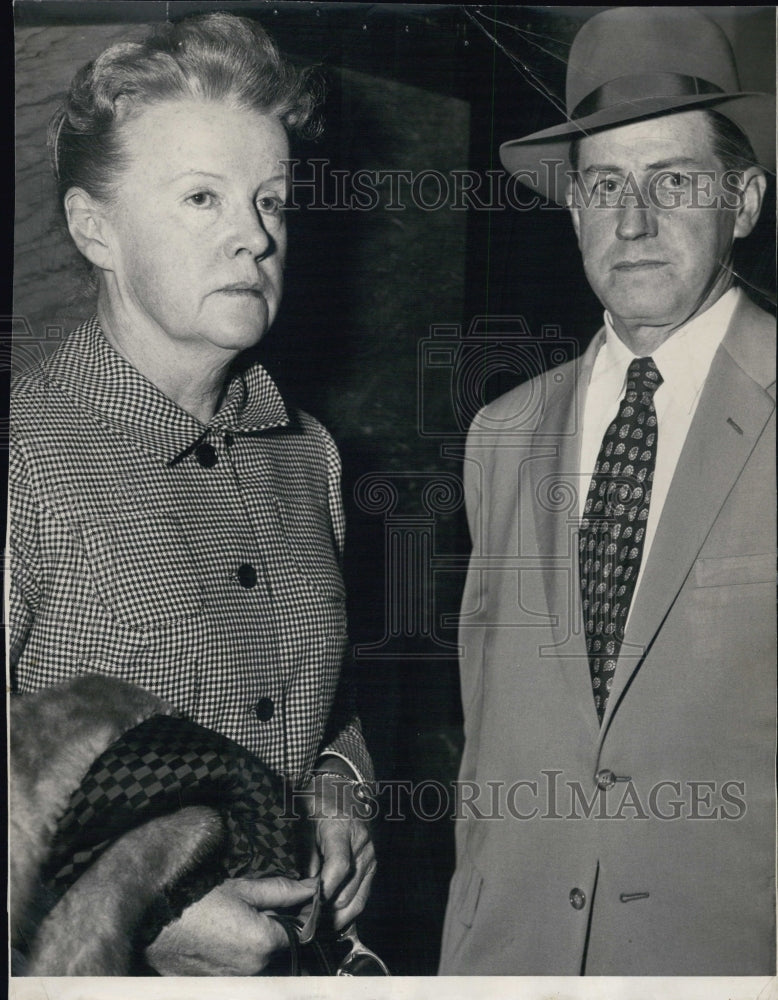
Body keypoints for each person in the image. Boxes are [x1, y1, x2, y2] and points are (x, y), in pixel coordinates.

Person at [9, 12, 376, 976]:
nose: (254, 236)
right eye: (202, 197)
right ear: (94, 228)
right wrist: (139, 910)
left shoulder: (309, 456)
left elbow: (318, 696)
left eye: (272, 201)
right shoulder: (24, 455)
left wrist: (339, 783)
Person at [439, 7, 775, 976]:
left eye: (674, 181)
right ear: (575, 209)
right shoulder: (502, 436)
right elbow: (487, 755)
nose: (633, 222)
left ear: (744, 201)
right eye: (604, 185)